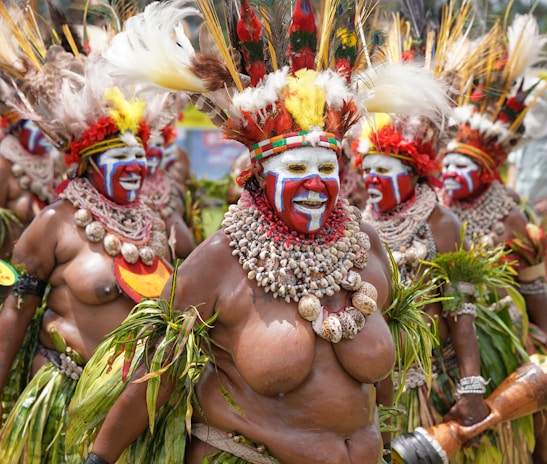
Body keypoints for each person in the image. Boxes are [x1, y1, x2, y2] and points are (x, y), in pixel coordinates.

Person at [63, 1, 459, 463]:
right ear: (258, 176)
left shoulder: (365, 244)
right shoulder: (221, 258)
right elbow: (157, 373)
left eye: (325, 167)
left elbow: (381, 383)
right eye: (295, 167)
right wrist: (100, 459)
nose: (315, 182)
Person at [0, 40, 194, 463]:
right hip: (63, 404)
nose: (134, 165)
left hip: (133, 415)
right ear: (86, 160)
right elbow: (15, 314)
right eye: (117, 155)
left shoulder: (153, 226)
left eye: (139, 154)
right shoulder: (54, 224)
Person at [438, 12, 547, 464]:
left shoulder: (511, 217)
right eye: (446, 164)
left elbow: (533, 283)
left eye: (461, 167)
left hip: (497, 330)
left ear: (486, 172)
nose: (449, 173)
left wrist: (540, 338)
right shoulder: (437, 213)